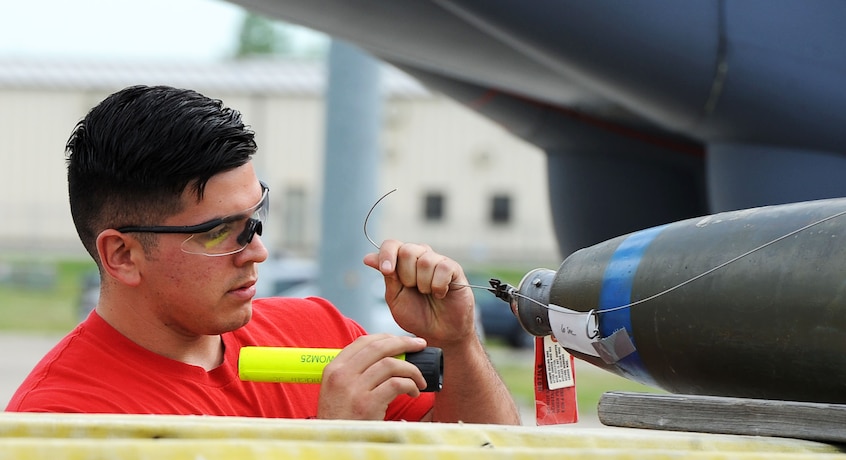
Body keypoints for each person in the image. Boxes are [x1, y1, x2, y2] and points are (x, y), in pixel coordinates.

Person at [6, 85, 521, 425]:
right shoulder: (65, 419)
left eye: (256, 218)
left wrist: (456, 343)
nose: (258, 250)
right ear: (122, 255)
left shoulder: (317, 328)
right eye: (220, 232)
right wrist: (333, 453)